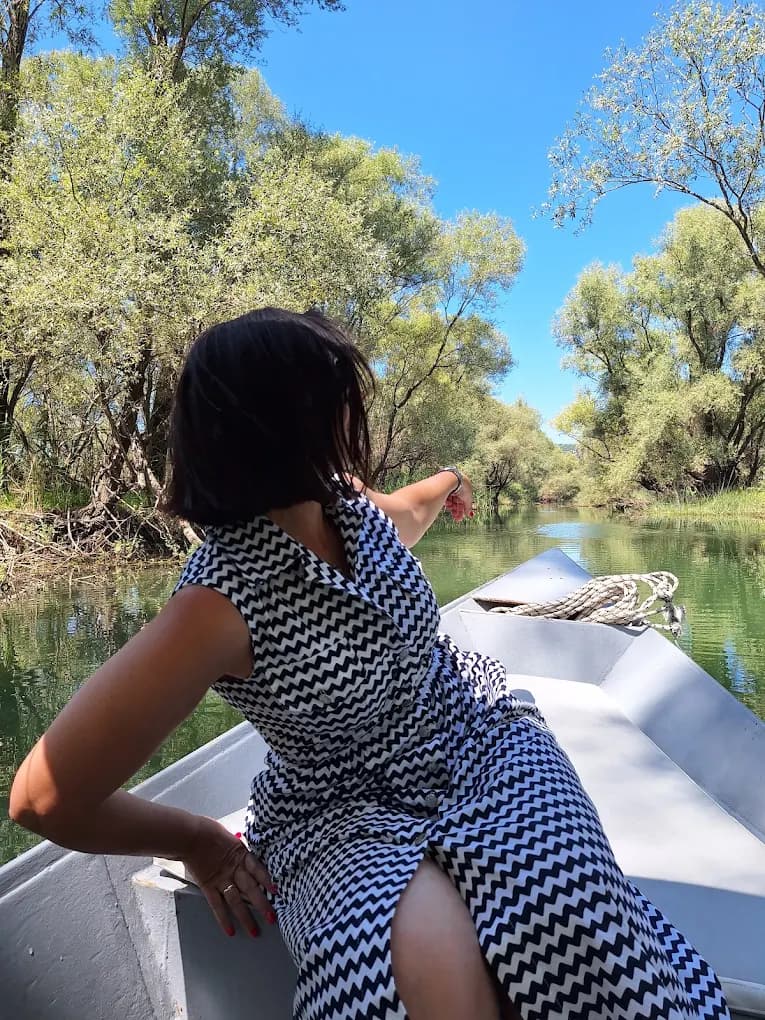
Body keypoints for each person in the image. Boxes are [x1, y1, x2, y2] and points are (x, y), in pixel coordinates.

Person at [10, 307, 729, 1020]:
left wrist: (451, 478)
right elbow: (45, 799)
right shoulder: (212, 608)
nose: (351, 418)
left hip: (475, 738)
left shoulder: (346, 504)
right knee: (426, 969)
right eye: (338, 400)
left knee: (571, 909)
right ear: (290, 418)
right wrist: (197, 841)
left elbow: (409, 513)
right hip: (338, 809)